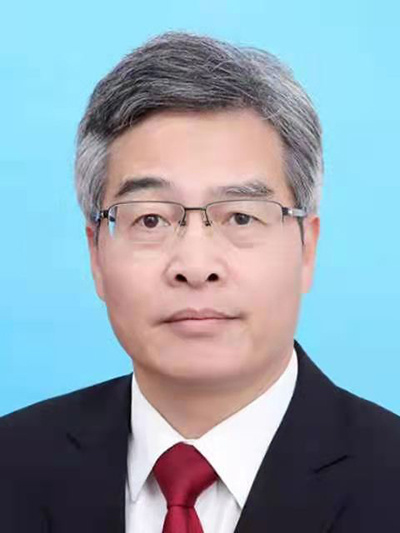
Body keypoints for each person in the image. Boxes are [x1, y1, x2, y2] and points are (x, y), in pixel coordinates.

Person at [1, 31, 399, 533]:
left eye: (240, 216)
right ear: (96, 255)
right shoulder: (11, 465)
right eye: (150, 219)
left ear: (307, 249)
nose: (194, 264)